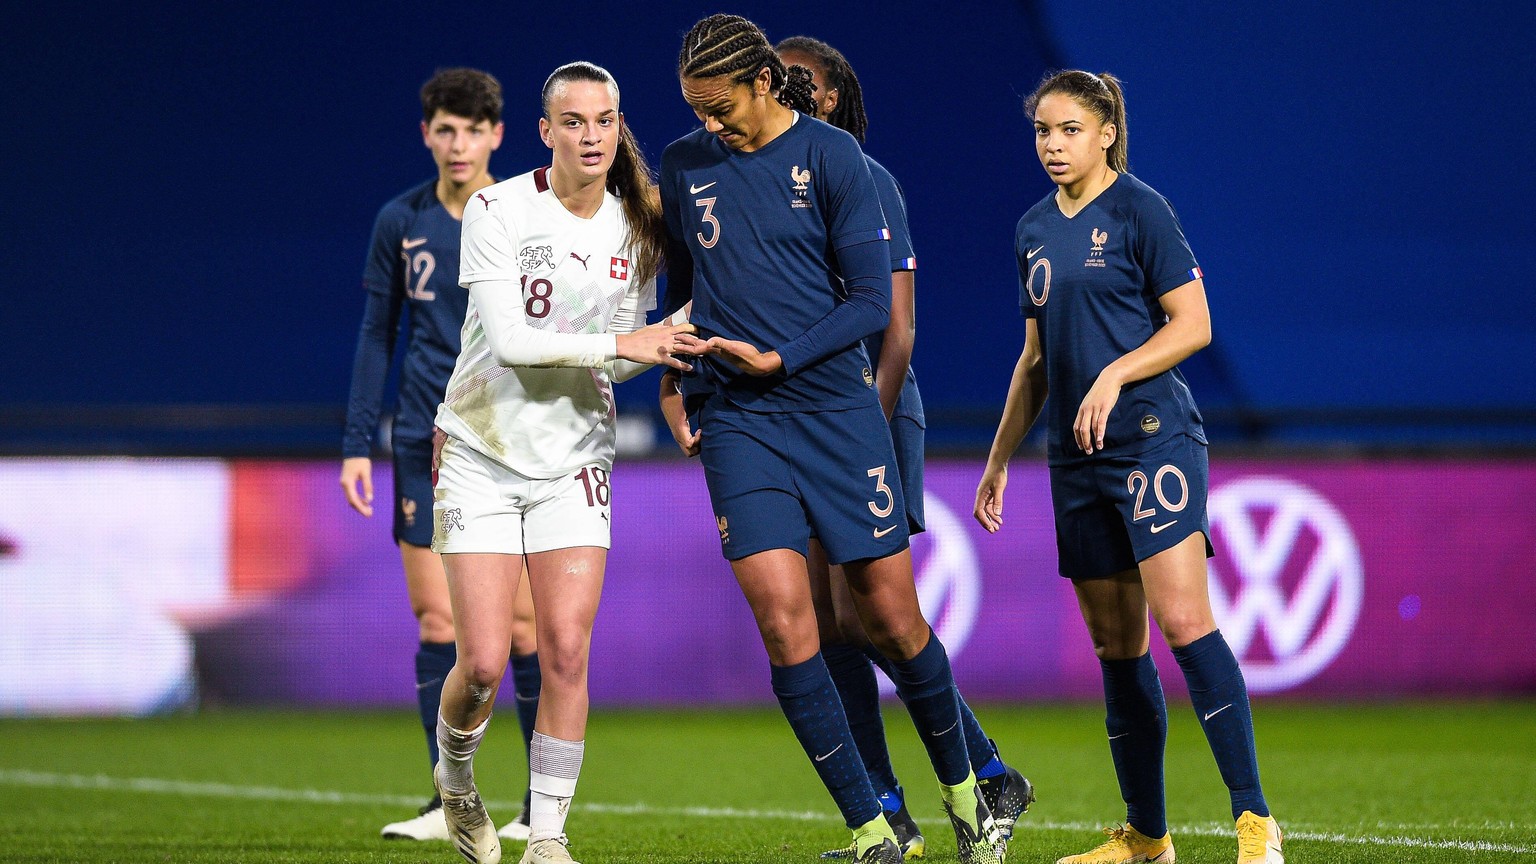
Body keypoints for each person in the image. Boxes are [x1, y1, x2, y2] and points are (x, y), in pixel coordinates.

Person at [658, 14, 1003, 864]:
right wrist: (674, 380)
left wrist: (782, 356)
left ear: (765, 83)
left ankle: (973, 801)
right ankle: (872, 830)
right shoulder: (685, 164)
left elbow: (870, 306)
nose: (710, 124)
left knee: (888, 616)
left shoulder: (836, 160)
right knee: (787, 624)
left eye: (720, 106)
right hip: (738, 419)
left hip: (835, 413)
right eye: (696, 108)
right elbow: (683, 289)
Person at [973, 70, 1283, 864]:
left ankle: (1255, 823)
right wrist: (1000, 458)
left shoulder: (1142, 209)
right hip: (1075, 460)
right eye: (1043, 130)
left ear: (1106, 131)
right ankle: (1148, 838)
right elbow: (1036, 361)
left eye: (1070, 129)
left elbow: (1195, 325)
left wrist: (1115, 373)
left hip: (1152, 439)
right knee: (1118, 648)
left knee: (1183, 622)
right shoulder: (1033, 230)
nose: (1052, 144)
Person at [770, 35, 1035, 861]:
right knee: (829, 620)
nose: (792, 93)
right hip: (798, 420)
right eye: (780, 82)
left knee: (875, 614)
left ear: (839, 98)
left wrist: (866, 435)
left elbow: (899, 326)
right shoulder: (758, 183)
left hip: (867, 416)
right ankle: (892, 811)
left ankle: (987, 774)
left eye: (807, 84)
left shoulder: (865, 178)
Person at [429, 61, 691, 864]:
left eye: (605, 120)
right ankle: (457, 777)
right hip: (482, 447)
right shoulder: (498, 208)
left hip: (576, 455)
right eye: (573, 122)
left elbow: (618, 360)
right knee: (480, 662)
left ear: (620, 126)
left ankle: (548, 837)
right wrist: (626, 343)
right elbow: (511, 343)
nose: (591, 136)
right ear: (544, 131)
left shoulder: (636, 226)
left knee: (565, 648)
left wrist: (673, 342)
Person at [340, 67, 543, 844]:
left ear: (497, 135)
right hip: (425, 441)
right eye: (445, 130)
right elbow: (377, 333)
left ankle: (535, 807)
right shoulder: (402, 220)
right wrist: (358, 443)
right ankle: (445, 803)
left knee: (521, 630)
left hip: (508, 438)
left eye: (473, 130)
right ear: (427, 134)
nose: (459, 144)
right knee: (435, 618)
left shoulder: (527, 212)